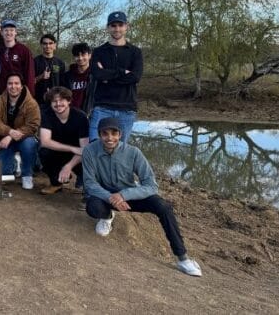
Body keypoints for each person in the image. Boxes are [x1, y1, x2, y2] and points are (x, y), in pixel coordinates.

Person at [83, 117, 203, 277]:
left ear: (120, 134)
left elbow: (151, 185)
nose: (110, 138)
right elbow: (90, 184)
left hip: (130, 195)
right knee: (92, 206)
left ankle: (183, 258)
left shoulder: (133, 152)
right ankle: (107, 217)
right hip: (106, 197)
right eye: (105, 133)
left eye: (114, 133)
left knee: (163, 207)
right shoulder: (89, 151)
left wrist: (123, 195)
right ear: (99, 135)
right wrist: (112, 198)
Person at [89, 11, 143, 142]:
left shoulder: (135, 52)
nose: (117, 29)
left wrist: (107, 75)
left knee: (120, 150)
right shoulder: (98, 51)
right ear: (108, 27)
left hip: (127, 109)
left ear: (126, 26)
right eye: (113, 25)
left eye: (120, 25)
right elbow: (97, 74)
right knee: (94, 146)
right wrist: (122, 72)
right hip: (102, 107)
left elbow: (135, 77)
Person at [0, 73, 40, 190]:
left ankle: (27, 175)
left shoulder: (31, 103)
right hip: (6, 139)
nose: (13, 86)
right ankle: (16, 164)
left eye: (16, 83)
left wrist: (10, 136)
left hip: (24, 138)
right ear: (6, 85)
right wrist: (9, 132)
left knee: (29, 144)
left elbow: (33, 126)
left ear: (22, 86)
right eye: (10, 83)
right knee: (4, 174)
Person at [38, 87, 89, 195]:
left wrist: (68, 166)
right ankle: (56, 183)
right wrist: (71, 148)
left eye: (61, 100)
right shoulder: (46, 114)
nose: (58, 104)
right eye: (54, 101)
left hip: (77, 156)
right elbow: (45, 142)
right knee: (44, 152)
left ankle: (87, 186)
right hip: (59, 151)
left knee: (88, 159)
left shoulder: (80, 117)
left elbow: (84, 149)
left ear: (69, 101)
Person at [0, 20, 35, 96]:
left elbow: (29, 73)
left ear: (16, 32)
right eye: (6, 30)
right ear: (1, 33)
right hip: (2, 93)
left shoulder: (24, 50)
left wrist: (29, 94)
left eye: (11, 30)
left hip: (19, 91)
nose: (8, 33)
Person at [34, 34, 66, 106]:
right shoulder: (34, 61)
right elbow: (30, 82)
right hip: (38, 102)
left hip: (56, 101)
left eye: (50, 43)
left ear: (55, 45)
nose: (48, 46)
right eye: (45, 43)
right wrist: (41, 77)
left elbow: (63, 85)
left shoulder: (60, 63)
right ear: (41, 45)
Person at [64, 42, 93, 113]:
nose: (80, 58)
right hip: (71, 113)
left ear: (89, 56)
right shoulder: (66, 76)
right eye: (77, 55)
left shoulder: (95, 76)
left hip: (90, 114)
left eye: (83, 55)